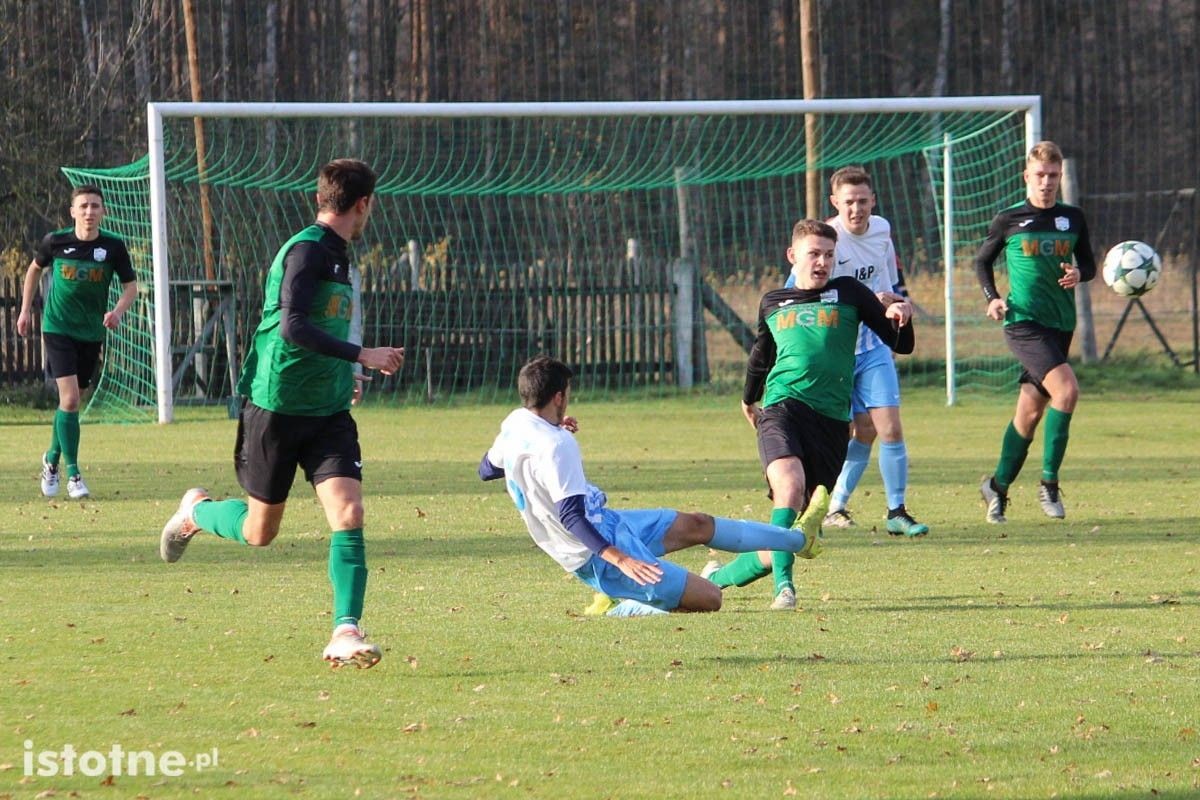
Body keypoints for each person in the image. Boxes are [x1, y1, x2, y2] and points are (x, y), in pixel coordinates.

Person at [158, 159, 405, 669]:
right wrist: (362, 356)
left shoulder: (341, 257)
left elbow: (324, 327)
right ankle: (196, 512)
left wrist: (345, 372)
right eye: (370, 206)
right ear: (363, 204)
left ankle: (345, 630)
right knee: (259, 532)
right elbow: (292, 326)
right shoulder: (308, 252)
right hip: (276, 406)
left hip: (328, 411)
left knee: (350, 513)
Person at [479, 355, 824, 617]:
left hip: (609, 523)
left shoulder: (516, 424)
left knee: (698, 523)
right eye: (567, 393)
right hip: (595, 555)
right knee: (710, 599)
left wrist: (552, 432)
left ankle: (799, 539)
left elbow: (487, 469)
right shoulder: (556, 446)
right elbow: (571, 517)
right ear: (558, 397)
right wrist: (620, 560)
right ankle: (622, 606)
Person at [703, 219, 914, 610]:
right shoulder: (773, 301)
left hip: (833, 423)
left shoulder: (849, 293)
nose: (822, 262)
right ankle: (785, 589)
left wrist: (902, 314)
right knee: (790, 486)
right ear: (793, 255)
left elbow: (900, 345)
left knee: (787, 538)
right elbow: (760, 355)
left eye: (830, 255)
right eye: (814, 254)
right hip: (781, 407)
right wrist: (750, 398)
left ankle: (716, 578)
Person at [784, 166, 927, 537]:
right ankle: (832, 505)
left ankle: (897, 510)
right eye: (849, 202)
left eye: (863, 201)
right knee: (850, 432)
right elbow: (792, 293)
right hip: (837, 352)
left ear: (873, 201)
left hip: (874, 346)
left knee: (888, 428)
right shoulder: (826, 242)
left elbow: (889, 281)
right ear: (835, 203)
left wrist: (893, 304)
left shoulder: (882, 230)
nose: (856, 209)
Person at [975, 140, 1096, 523]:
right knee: (1068, 390)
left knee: (1028, 415)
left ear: (1060, 177)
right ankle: (1049, 483)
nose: (1046, 182)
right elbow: (982, 261)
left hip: (1061, 323)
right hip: (1023, 323)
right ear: (1027, 176)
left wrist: (1080, 273)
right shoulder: (1008, 219)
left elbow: (1089, 265)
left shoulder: (1072, 218)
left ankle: (997, 486)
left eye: (1053, 176)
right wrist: (993, 297)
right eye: (1040, 175)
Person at [16, 185, 137, 500]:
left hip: (91, 334)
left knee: (71, 403)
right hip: (57, 328)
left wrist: (118, 311)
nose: (89, 211)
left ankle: (51, 460)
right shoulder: (56, 241)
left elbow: (130, 288)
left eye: (95, 206)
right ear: (72, 211)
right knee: (69, 400)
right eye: (83, 206)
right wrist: (26, 310)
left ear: (103, 211)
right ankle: (74, 476)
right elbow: (33, 271)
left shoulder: (113, 247)